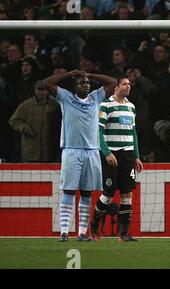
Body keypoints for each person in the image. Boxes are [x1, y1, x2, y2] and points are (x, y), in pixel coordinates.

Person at [44, 69, 117, 242]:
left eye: (87, 83)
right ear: (74, 85)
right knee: (68, 191)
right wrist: (69, 74)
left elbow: (113, 81)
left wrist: (91, 75)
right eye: (82, 83)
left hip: (92, 151)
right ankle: (63, 232)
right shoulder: (66, 97)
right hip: (71, 150)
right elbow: (47, 83)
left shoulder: (96, 97)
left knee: (86, 193)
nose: (85, 85)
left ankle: (82, 233)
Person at [90, 77, 144, 242]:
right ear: (116, 86)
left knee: (127, 194)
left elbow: (133, 133)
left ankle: (124, 234)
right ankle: (93, 230)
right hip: (111, 155)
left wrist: (136, 156)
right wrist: (106, 153)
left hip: (127, 155)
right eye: (125, 84)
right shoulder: (106, 105)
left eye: (129, 85)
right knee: (108, 194)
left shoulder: (131, 107)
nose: (128, 87)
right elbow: (98, 132)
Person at [8, 80, 60, 163]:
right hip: (30, 151)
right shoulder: (26, 105)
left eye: (43, 90)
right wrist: (25, 128)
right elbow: (13, 120)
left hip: (49, 151)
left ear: (48, 91)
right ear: (34, 90)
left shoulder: (55, 105)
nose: (40, 92)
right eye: (38, 89)